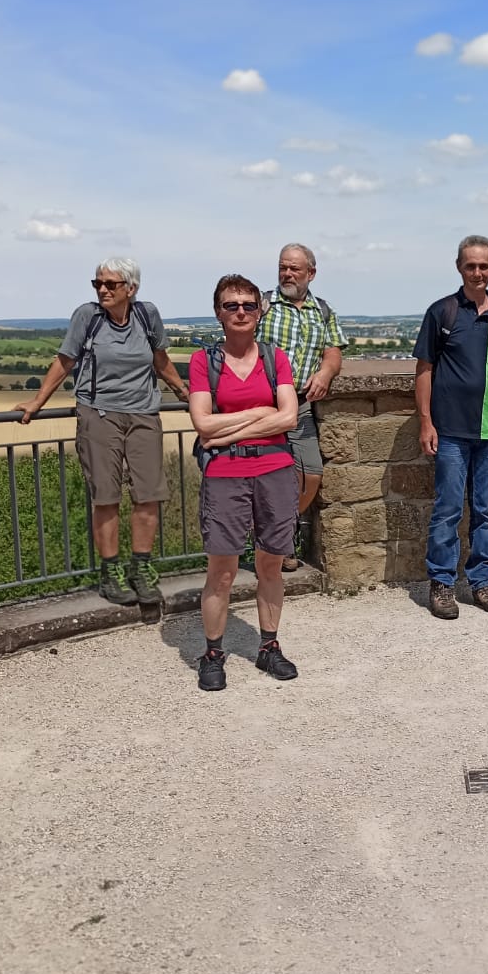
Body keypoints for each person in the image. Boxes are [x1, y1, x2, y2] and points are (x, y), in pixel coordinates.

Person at [16, 257, 188, 606]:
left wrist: (186, 393)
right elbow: (65, 360)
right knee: (106, 496)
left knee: (148, 494)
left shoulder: (146, 314)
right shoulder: (87, 317)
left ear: (131, 288)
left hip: (144, 413)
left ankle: (141, 569)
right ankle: (111, 574)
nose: (103, 290)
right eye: (98, 283)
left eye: (111, 284)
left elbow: (160, 359)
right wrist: (37, 402)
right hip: (99, 414)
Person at [187, 274, 301, 691]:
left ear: (259, 311)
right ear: (218, 312)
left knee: (271, 563)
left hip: (275, 471)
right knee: (222, 570)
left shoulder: (276, 358)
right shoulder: (204, 361)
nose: (240, 312)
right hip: (225, 474)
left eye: (248, 305)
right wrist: (260, 413)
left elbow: (288, 418)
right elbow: (201, 423)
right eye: (231, 305)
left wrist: (227, 430)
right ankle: (213, 653)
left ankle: (268, 646)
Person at [413, 234, 488, 620]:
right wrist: (426, 422)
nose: (478, 272)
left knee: (484, 510)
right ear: (459, 267)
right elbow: (424, 371)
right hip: (450, 432)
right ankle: (442, 583)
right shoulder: (441, 313)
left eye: (484, 266)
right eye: (471, 266)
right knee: (446, 509)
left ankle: (480, 581)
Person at [256, 242, 347, 569]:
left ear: (311, 273)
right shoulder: (261, 304)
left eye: (294, 268)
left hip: (302, 405)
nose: (287, 273)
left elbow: (334, 351)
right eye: (283, 267)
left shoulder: (322, 311)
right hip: (262, 405)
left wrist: (325, 372)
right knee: (267, 478)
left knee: (311, 474)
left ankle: (279, 532)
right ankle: (277, 543)